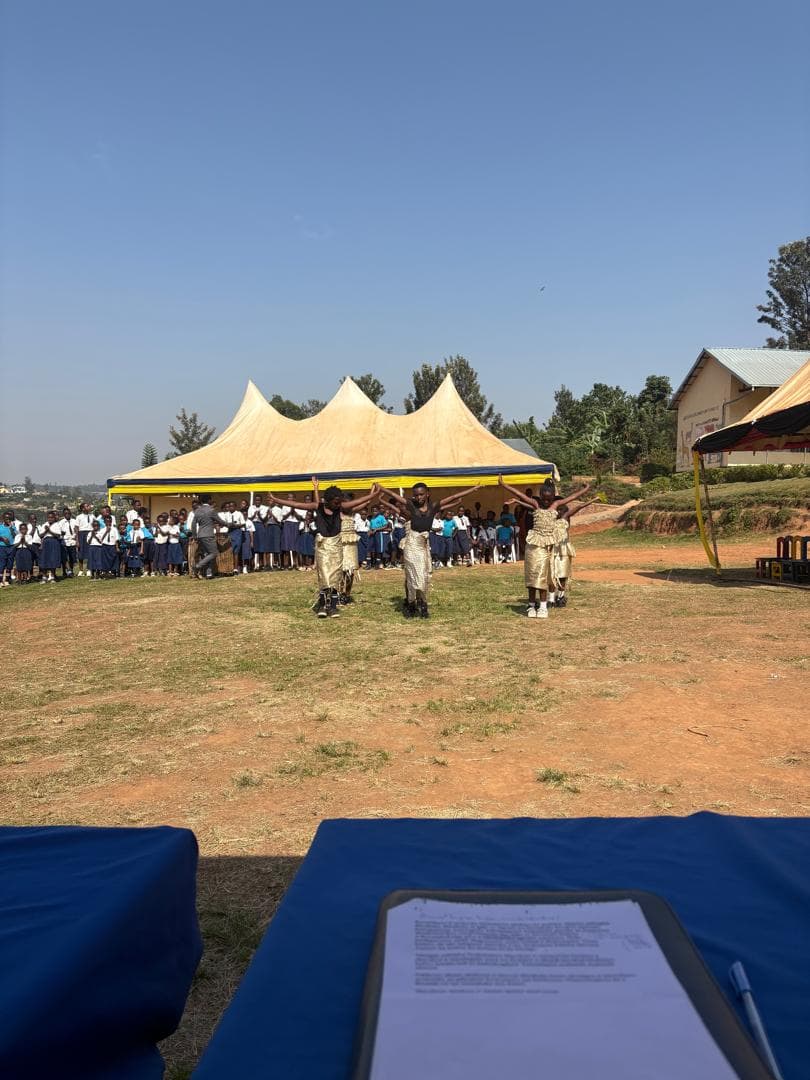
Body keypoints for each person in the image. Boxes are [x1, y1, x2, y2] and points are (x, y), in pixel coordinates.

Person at [269, 479, 378, 617]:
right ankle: (322, 605)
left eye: (340, 502)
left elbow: (359, 502)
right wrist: (276, 499)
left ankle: (332, 607)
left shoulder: (340, 508)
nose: (338, 504)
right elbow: (296, 504)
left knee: (336, 577)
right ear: (327, 500)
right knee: (325, 577)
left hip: (337, 546)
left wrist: (373, 494)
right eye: (336, 502)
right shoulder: (318, 507)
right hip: (323, 547)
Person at [379, 481, 481, 618]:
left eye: (421, 494)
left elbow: (452, 497)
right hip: (411, 543)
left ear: (427, 494)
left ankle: (422, 602)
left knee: (424, 575)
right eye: (415, 495)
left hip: (423, 545)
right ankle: (411, 603)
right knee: (412, 574)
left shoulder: (433, 507)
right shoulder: (411, 505)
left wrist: (472, 489)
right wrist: (381, 488)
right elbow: (393, 495)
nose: (418, 497)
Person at [499, 476, 591, 618]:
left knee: (545, 576)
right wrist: (504, 484)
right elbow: (520, 494)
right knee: (532, 576)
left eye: (549, 499)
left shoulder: (557, 504)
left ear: (554, 496)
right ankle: (531, 606)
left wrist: (586, 489)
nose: (546, 501)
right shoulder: (536, 504)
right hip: (534, 544)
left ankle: (543, 606)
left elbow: (572, 498)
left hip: (548, 547)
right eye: (544, 498)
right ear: (540, 496)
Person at [191, 494, 234, 579]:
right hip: (208, 535)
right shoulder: (211, 510)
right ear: (209, 500)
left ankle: (209, 573)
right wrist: (230, 524)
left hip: (200, 535)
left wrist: (195, 536)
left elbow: (193, 525)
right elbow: (220, 522)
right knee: (214, 553)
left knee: (207, 554)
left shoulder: (197, 511)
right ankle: (197, 566)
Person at [38, 512, 64, 583]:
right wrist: (46, 531)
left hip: (54, 542)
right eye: (49, 517)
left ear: (54, 518)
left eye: (52, 517)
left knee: (53, 559)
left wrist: (49, 531)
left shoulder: (57, 525)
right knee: (44, 559)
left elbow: (58, 535)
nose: (50, 519)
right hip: (46, 542)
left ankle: (52, 576)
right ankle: (44, 577)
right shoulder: (44, 525)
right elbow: (40, 535)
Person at [76, 502, 95, 576]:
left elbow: (95, 525)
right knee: (81, 553)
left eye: (89, 506)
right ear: (83, 508)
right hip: (81, 534)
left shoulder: (92, 516)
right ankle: (81, 570)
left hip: (89, 534)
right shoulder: (79, 517)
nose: (89, 507)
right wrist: (77, 540)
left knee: (89, 552)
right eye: (87, 506)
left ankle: (89, 569)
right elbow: (77, 529)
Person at [59, 506, 79, 578]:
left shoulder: (74, 521)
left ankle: (71, 571)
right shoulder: (61, 523)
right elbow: (59, 532)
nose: (67, 515)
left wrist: (76, 539)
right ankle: (65, 571)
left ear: (70, 514)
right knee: (65, 558)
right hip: (65, 542)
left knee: (72, 558)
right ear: (64, 514)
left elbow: (77, 530)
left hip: (72, 541)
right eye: (66, 513)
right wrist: (62, 533)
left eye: (68, 513)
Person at [0, 513, 16, 587]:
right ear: (3, 519)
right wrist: (2, 538)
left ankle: (7, 579)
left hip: (11, 547)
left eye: (9, 519)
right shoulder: (0, 527)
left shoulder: (13, 527)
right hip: (2, 547)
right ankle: (0, 581)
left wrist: (11, 528)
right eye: (6, 519)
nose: (8, 520)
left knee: (10, 563)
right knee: (2, 563)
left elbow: (14, 535)